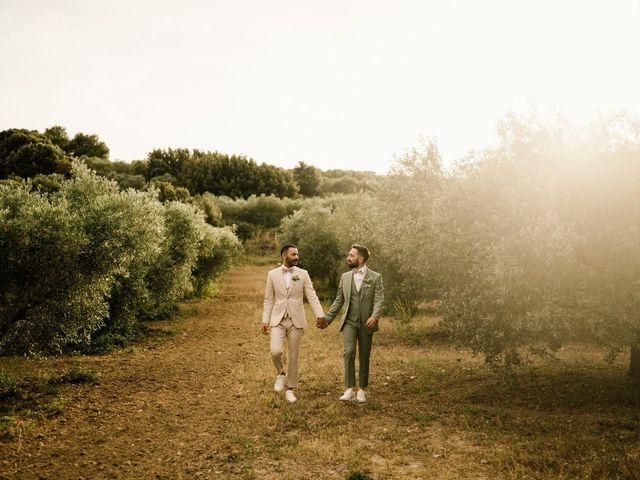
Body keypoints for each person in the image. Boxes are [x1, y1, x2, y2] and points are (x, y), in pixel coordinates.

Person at [317, 244, 384, 403]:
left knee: (364, 354)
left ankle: (362, 389)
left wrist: (374, 316)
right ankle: (349, 388)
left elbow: (379, 300)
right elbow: (339, 300)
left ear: (360, 259)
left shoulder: (375, 277)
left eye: (351, 255)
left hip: (367, 323)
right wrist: (327, 319)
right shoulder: (345, 277)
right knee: (349, 352)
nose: (348, 258)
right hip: (349, 322)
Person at [262, 244, 325, 403]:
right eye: (293, 254)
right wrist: (265, 320)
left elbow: (311, 295)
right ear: (284, 256)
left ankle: (290, 389)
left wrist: (320, 315)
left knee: (293, 355)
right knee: (275, 351)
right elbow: (269, 298)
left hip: (296, 319)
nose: (297, 257)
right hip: (278, 318)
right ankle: (281, 373)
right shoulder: (272, 274)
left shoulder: (303, 274)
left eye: (297, 254)